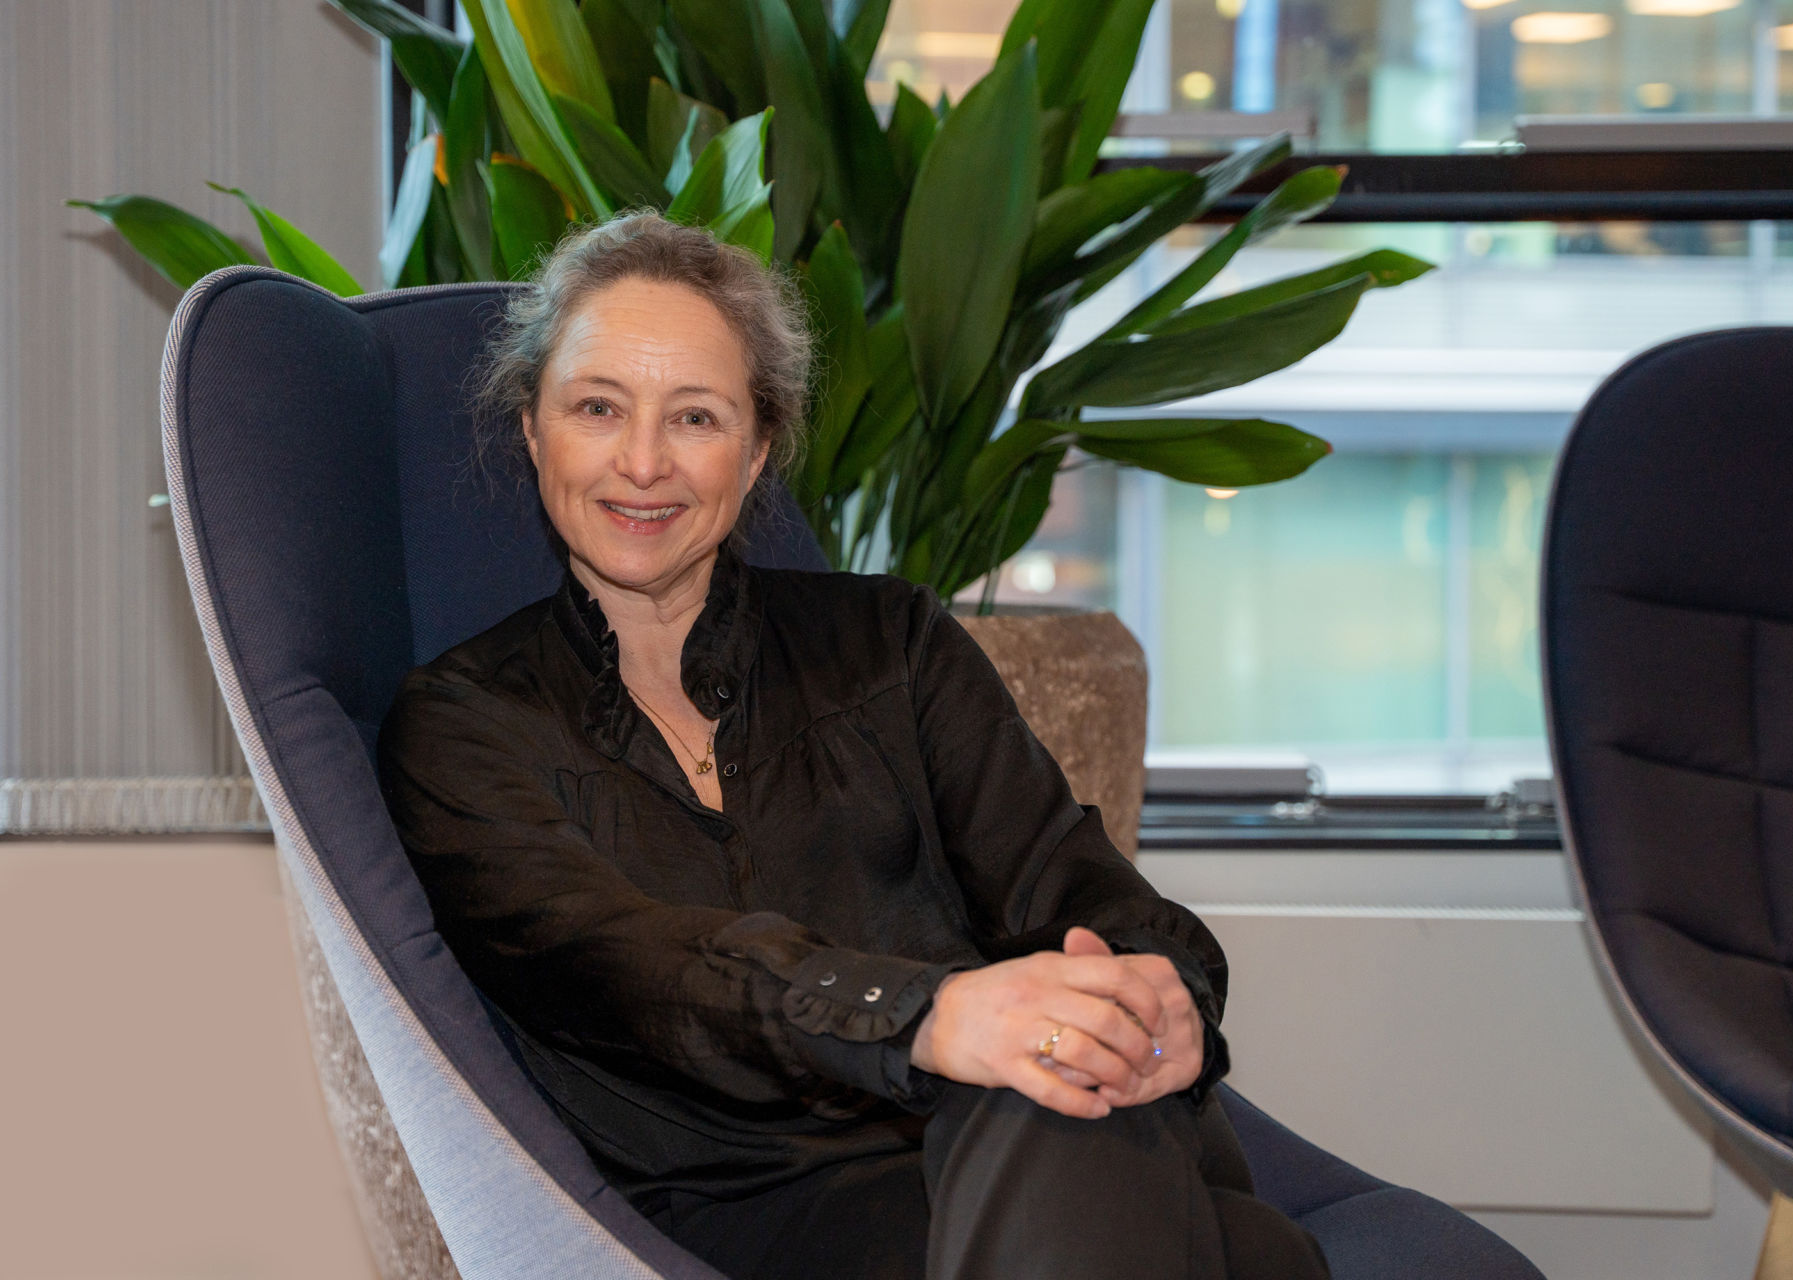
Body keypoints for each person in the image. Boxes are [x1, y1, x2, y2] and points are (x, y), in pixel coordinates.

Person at [377, 211, 1329, 1280]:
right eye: (599, 408)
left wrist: (1166, 987)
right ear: (533, 430)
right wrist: (927, 1013)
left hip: (1005, 1138)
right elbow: (634, 970)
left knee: (1056, 1093)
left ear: (758, 447)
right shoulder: (459, 721)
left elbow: (1070, 881)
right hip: (741, 1202)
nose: (642, 463)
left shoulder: (892, 642)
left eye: (694, 416)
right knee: (1253, 1251)